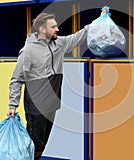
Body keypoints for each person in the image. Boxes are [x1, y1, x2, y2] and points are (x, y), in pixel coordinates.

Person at [6, 11, 102, 159]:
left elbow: (78, 36)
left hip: (51, 106)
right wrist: (13, 105)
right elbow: (16, 79)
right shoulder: (28, 51)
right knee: (34, 145)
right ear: (42, 29)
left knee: (41, 144)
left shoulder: (59, 43)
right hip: (36, 108)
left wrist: (99, 20)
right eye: (53, 27)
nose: (57, 29)